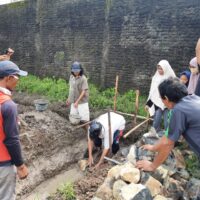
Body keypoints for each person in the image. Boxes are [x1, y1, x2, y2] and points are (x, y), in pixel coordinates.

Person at [136, 77, 200, 172]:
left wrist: (152, 166)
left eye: (161, 98)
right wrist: (153, 148)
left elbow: (168, 144)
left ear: (166, 98)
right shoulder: (194, 98)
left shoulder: (178, 110)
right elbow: (167, 137)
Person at [0, 61, 28, 199]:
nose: (18, 81)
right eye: (17, 77)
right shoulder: (8, 106)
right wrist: (21, 166)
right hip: (3, 164)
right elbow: (12, 140)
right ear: (8, 78)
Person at [145, 60, 176, 136]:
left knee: (167, 122)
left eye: (161, 69)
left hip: (168, 105)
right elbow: (153, 93)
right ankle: (153, 133)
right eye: (158, 68)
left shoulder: (171, 79)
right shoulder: (155, 78)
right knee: (156, 120)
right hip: (158, 104)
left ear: (165, 68)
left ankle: (168, 136)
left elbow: (175, 92)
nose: (159, 70)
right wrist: (148, 104)